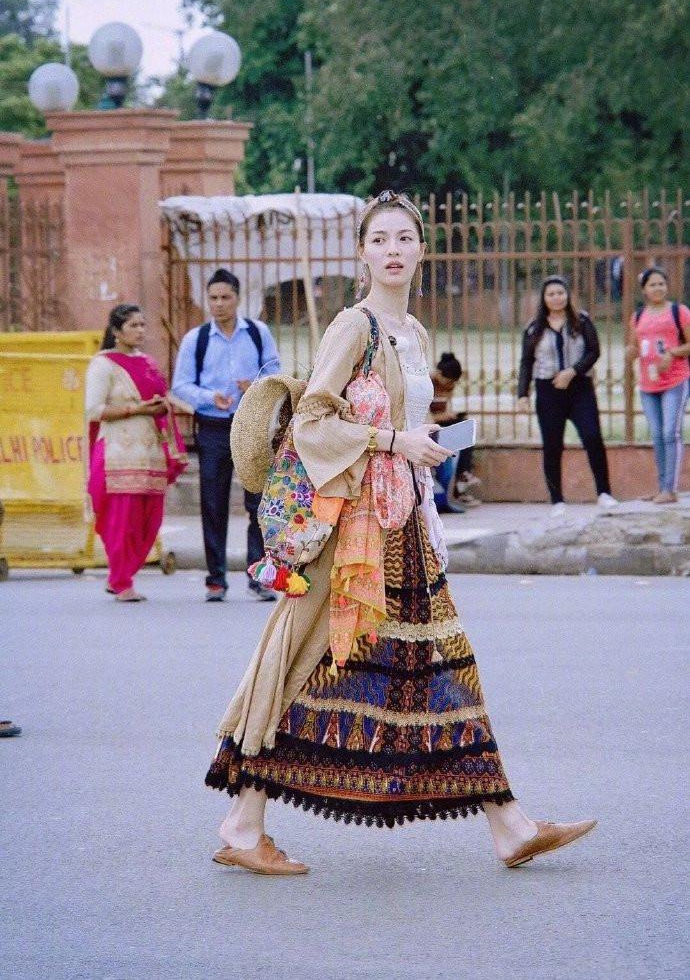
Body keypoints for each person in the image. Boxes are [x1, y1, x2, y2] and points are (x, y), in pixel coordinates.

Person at [205, 191, 596, 876]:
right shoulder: (352, 328)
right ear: (362, 253)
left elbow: (404, 430)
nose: (392, 249)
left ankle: (509, 824)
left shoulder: (412, 333)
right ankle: (242, 822)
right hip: (354, 533)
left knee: (446, 668)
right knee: (305, 664)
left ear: (421, 249)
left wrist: (424, 441)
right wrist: (393, 439)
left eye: (403, 238)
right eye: (379, 238)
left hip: (407, 523)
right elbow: (313, 423)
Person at [172, 269, 281, 602]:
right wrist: (209, 397)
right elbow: (181, 385)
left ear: (237, 298)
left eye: (225, 298)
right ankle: (216, 578)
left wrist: (258, 386)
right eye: (213, 298)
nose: (218, 304)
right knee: (213, 503)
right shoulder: (197, 339)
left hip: (251, 426)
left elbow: (276, 373)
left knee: (258, 503)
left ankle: (258, 576)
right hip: (214, 428)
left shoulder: (258, 333)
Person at [85, 305, 187, 602]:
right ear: (116, 331)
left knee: (149, 520)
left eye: (143, 324)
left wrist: (163, 406)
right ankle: (120, 581)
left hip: (151, 453)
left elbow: (162, 399)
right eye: (133, 325)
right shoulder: (103, 365)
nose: (141, 330)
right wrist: (138, 409)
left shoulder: (148, 363)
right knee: (122, 521)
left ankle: (122, 575)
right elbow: (93, 410)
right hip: (119, 454)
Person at [517, 276, 618, 517]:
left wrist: (573, 371)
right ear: (544, 298)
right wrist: (523, 393)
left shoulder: (581, 321)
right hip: (547, 391)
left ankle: (604, 493)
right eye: (551, 294)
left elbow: (595, 351)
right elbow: (526, 362)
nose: (556, 298)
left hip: (580, 388)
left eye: (560, 293)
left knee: (593, 437)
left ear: (567, 295)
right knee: (552, 445)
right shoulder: (534, 328)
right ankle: (557, 500)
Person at [625, 266, 690, 504]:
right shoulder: (638, 316)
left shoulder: (679, 312)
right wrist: (629, 352)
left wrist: (672, 353)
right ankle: (662, 485)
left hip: (675, 379)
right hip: (648, 384)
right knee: (657, 435)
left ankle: (670, 489)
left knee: (669, 432)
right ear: (644, 290)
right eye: (652, 285)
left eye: (661, 283)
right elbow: (633, 346)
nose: (658, 288)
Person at [429, 351, 481, 511]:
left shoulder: (447, 386)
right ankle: (459, 482)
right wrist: (444, 416)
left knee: (465, 429)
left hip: (441, 424)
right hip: (429, 426)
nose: (450, 386)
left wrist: (449, 416)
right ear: (439, 374)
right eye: (449, 381)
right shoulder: (427, 382)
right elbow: (428, 417)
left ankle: (463, 476)